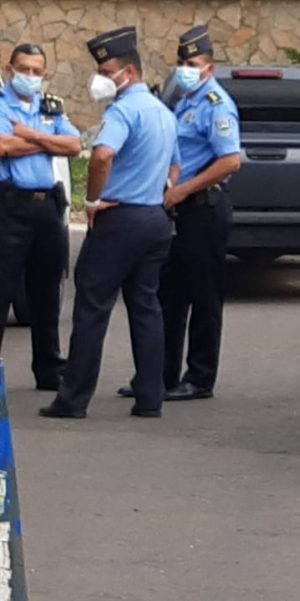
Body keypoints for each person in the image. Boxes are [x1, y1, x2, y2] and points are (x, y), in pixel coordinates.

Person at [39, 27, 180, 419]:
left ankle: (72, 399)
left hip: (120, 219)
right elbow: (176, 164)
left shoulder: (124, 110)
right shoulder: (162, 112)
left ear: (129, 73)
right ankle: (150, 397)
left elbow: (101, 157)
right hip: (154, 218)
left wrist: (93, 200)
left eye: (107, 69)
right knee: (146, 306)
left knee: (92, 306)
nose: (101, 77)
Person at [117, 25, 240, 402]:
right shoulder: (184, 101)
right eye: (181, 62)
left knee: (203, 296)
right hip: (177, 213)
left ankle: (199, 378)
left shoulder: (216, 105)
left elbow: (231, 160)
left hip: (202, 210)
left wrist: (183, 189)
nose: (185, 68)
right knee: (168, 295)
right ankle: (160, 375)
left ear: (209, 68)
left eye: (193, 63)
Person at [0, 44, 82, 391]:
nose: (30, 76)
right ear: (9, 69)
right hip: (10, 206)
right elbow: (4, 147)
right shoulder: (2, 105)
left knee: (47, 292)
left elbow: (75, 145)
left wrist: (31, 135)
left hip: (48, 206)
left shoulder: (49, 107)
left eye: (37, 71)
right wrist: (51, 141)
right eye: (24, 69)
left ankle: (49, 369)